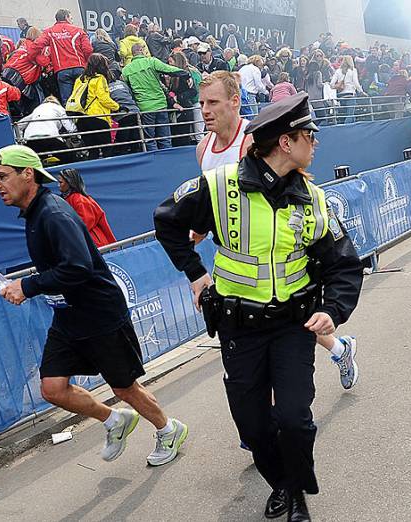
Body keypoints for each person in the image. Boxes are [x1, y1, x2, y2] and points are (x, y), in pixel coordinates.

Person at [154, 93, 363, 521]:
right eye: (309, 135)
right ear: (286, 143)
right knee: (252, 425)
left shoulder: (314, 199)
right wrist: (197, 275)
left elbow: (343, 263)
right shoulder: (218, 186)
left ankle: (298, 494)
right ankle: (282, 483)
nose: (315, 143)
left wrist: (334, 311)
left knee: (293, 418)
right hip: (239, 328)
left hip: (293, 325)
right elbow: (167, 220)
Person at [0, 145, 188, 467]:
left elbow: (78, 266)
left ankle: (169, 429)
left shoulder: (53, 214)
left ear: (28, 174)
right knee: (52, 389)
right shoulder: (34, 213)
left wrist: (27, 286)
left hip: (100, 316)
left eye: (2, 176)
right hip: (68, 317)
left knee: (125, 388)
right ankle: (114, 421)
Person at [195, 72, 361, 389]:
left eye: (213, 102)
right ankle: (340, 349)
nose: (205, 110)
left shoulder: (254, 141)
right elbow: (211, 202)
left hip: (279, 248)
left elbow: (286, 183)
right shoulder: (203, 148)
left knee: (292, 323)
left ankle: (281, 420)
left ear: (235, 102)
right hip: (239, 263)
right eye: (201, 102)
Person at [121, 43, 188, 151]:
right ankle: (167, 160)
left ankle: (154, 162)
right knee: (165, 138)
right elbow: (170, 70)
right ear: (142, 51)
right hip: (161, 104)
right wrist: (186, 74)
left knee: (149, 139)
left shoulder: (126, 70)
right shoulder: (152, 61)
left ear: (133, 53)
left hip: (145, 107)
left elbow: (126, 89)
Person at [27, 9, 93, 104]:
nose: (72, 20)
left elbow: (36, 46)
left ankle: (69, 118)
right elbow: (88, 49)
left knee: (68, 102)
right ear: (66, 17)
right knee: (83, 99)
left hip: (62, 70)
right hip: (80, 68)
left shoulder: (49, 32)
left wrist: (33, 58)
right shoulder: (79, 31)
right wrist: (86, 64)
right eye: (71, 18)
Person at [67, 53, 119, 159]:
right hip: (97, 117)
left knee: (92, 151)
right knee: (107, 149)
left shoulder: (80, 79)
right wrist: (117, 107)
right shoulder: (99, 79)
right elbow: (103, 98)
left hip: (81, 118)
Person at [57, 168, 117, 247]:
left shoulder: (79, 200)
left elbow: (83, 225)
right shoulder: (68, 199)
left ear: (70, 183)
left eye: (60, 182)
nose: (58, 185)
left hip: (93, 244)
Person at [1, 27, 48, 117]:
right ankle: (34, 116)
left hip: (7, 73)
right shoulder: (34, 47)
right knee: (34, 97)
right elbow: (43, 62)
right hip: (18, 75)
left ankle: (18, 114)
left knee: (13, 98)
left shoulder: (24, 44)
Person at [18, 95, 78, 163]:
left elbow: (19, 124)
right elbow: (68, 125)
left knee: (34, 162)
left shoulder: (37, 109)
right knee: (69, 158)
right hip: (49, 137)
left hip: (31, 139)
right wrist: (76, 133)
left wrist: (21, 139)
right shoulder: (58, 108)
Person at [331, 55, 364, 124]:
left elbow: (331, 84)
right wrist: (361, 92)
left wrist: (338, 86)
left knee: (345, 114)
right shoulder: (353, 70)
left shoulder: (338, 71)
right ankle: (346, 128)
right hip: (350, 94)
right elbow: (356, 83)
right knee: (350, 114)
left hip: (340, 95)